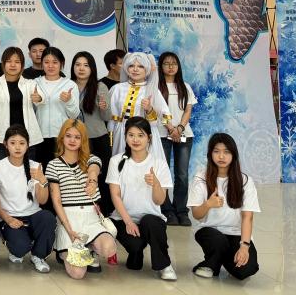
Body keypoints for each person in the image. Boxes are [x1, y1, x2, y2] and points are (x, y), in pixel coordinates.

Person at [107, 117, 177, 281]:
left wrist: (156, 184)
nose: (135, 140)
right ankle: (136, 252)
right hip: (123, 219)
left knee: (151, 222)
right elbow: (115, 195)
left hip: (151, 219)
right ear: (125, 137)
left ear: (149, 138)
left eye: (140, 135)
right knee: (135, 247)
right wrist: (128, 222)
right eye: (131, 135)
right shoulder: (116, 161)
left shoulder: (159, 164)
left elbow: (160, 201)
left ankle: (164, 265)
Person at [47, 120, 117, 279]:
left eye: (77, 137)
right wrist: (69, 230)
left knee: (109, 248)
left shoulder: (92, 159)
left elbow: (94, 169)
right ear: (62, 138)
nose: (72, 140)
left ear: (83, 140)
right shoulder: (53, 165)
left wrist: (92, 180)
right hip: (69, 220)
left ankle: (90, 249)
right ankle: (70, 253)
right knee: (78, 273)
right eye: (68, 136)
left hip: (91, 218)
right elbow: (56, 201)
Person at [188, 133, 260, 281]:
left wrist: (244, 246)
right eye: (216, 151)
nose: (221, 156)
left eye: (226, 152)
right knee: (218, 242)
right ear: (210, 154)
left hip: (235, 234)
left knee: (246, 270)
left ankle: (216, 261)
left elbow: (247, 217)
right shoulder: (201, 178)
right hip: (209, 231)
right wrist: (208, 204)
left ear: (233, 154)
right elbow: (196, 215)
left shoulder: (245, 181)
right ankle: (210, 264)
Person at [0, 125, 54, 273]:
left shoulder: (35, 166)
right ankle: (16, 247)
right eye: (13, 143)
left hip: (34, 215)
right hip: (11, 216)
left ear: (28, 145)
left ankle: (38, 256)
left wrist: (43, 181)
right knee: (20, 248)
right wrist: (8, 219)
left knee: (48, 218)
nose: (17, 147)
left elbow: (42, 200)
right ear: (5, 144)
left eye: (22, 143)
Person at [107, 52, 171, 160]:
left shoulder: (152, 91)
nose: (135, 69)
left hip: (143, 135)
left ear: (147, 69)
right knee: (121, 163)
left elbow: (159, 121)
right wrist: (111, 139)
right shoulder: (117, 89)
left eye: (140, 66)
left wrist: (149, 110)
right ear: (127, 68)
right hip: (121, 135)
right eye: (131, 66)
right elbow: (111, 118)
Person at [158, 51, 197, 226]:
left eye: (174, 63)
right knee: (163, 173)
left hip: (184, 134)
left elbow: (188, 110)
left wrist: (179, 128)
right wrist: (170, 128)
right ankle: (167, 210)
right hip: (162, 134)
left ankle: (181, 211)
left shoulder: (185, 86)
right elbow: (157, 111)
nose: (171, 66)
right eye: (166, 63)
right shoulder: (157, 87)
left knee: (182, 175)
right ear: (161, 66)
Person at [71, 51, 112, 213]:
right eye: (78, 65)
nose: (81, 68)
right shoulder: (68, 85)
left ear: (92, 68)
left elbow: (107, 117)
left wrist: (104, 107)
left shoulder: (100, 86)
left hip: (98, 138)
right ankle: (83, 210)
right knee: (79, 176)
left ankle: (105, 210)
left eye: (86, 65)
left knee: (101, 176)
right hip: (75, 139)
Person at [0, 47, 42, 161]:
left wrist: (39, 98)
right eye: (9, 61)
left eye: (17, 62)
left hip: (26, 138)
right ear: (3, 64)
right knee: (3, 171)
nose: (13, 65)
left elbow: (40, 98)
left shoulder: (30, 84)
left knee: (29, 171)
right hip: (2, 139)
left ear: (22, 65)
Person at [32, 47, 80, 165]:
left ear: (61, 64)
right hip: (39, 137)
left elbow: (74, 115)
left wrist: (69, 101)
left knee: (61, 170)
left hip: (62, 136)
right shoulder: (34, 83)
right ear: (42, 64)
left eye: (55, 62)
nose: (50, 66)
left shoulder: (70, 85)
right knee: (41, 170)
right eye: (46, 62)